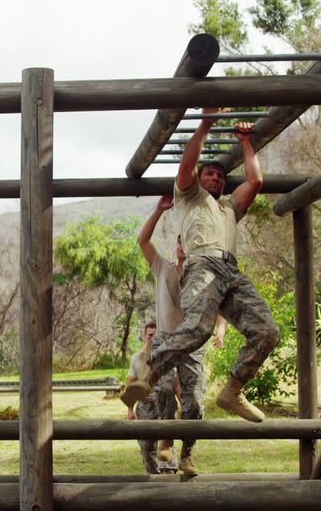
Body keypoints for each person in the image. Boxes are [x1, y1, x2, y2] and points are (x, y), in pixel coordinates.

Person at [123, 111, 280, 424]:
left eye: (220, 177)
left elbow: (255, 181)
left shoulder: (230, 208)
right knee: (199, 329)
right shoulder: (189, 196)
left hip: (230, 270)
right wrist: (206, 123)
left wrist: (246, 143)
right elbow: (186, 164)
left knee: (267, 331)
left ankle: (233, 390)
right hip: (201, 263)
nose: (216, 179)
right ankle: (148, 375)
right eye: (210, 174)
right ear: (198, 179)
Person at [127, 195, 229, 475]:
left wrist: (220, 327)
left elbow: (220, 303)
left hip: (193, 345)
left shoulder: (205, 274)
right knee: (165, 389)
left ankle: (187, 454)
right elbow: (143, 241)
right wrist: (159, 210)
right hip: (166, 340)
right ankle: (166, 440)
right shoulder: (163, 268)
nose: (186, 247)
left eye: (192, 243)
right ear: (178, 245)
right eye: (183, 242)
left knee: (195, 401)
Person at [125, 323, 177, 474]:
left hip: (165, 405)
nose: (153, 338)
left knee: (167, 442)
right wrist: (130, 409)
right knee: (147, 447)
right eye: (150, 335)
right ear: (144, 337)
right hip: (145, 406)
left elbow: (176, 384)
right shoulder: (137, 358)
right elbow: (131, 385)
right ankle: (153, 479)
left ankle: (169, 477)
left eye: (156, 335)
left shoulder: (168, 358)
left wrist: (182, 406)